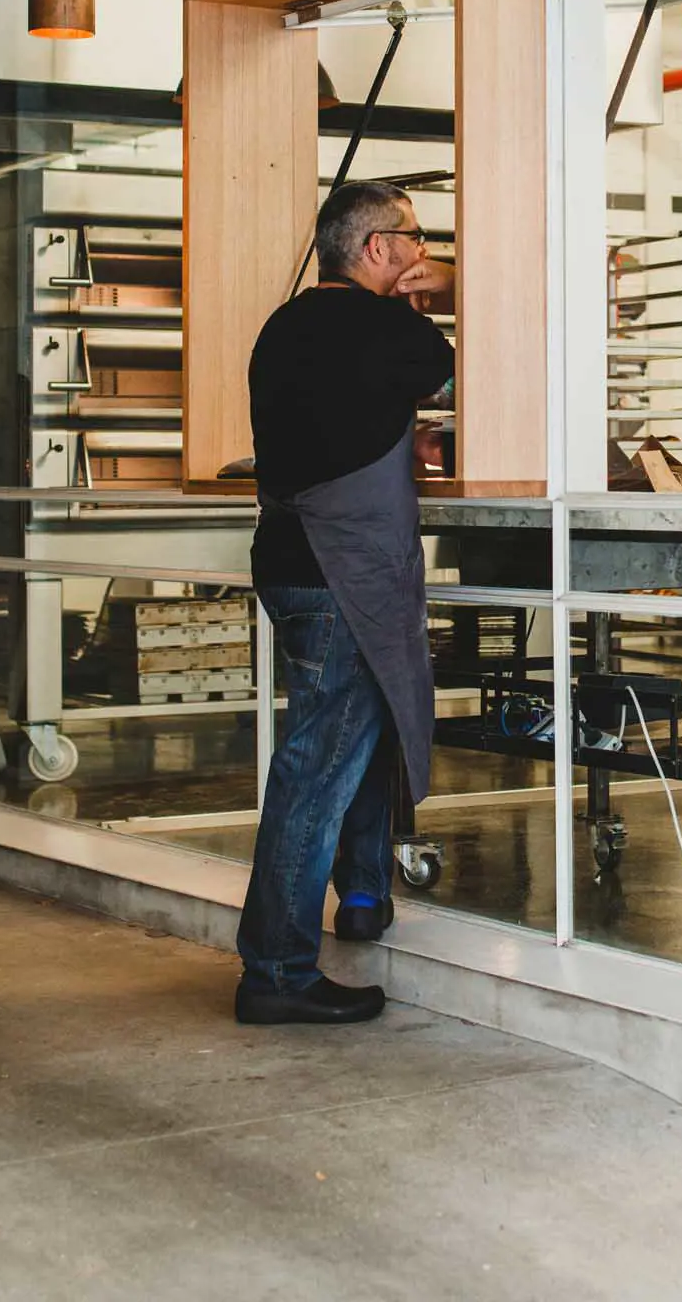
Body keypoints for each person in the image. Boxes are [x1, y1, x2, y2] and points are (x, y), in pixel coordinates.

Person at [234, 180, 454, 1025]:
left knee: (357, 739)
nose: (421, 252)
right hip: (343, 573)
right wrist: (412, 299)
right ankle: (277, 972)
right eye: (413, 238)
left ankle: (361, 894)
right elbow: (434, 366)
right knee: (318, 768)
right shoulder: (381, 327)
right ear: (374, 250)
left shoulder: (284, 323)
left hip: (289, 566)